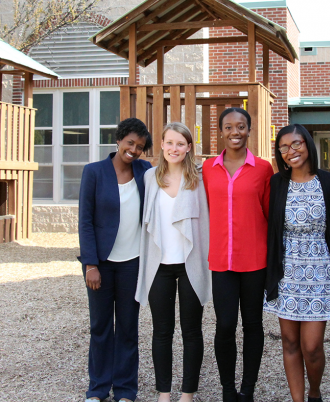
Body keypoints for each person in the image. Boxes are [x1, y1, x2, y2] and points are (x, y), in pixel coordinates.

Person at [264, 124, 330, 402]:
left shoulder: (329, 182)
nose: (290, 152)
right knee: (289, 341)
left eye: (296, 144)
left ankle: (315, 392)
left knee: (312, 346)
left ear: (308, 144)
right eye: (283, 147)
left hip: (319, 269)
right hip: (287, 271)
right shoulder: (277, 183)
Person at [135, 122, 212, 402]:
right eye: (169, 143)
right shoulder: (150, 177)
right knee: (162, 331)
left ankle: (188, 393)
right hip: (159, 267)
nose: (174, 148)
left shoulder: (200, 178)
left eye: (181, 144)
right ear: (162, 145)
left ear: (189, 147)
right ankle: (164, 393)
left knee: (192, 331)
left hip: (191, 265)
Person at [202, 107, 274, 402]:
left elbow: (270, 214)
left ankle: (247, 389)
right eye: (229, 127)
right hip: (222, 261)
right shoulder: (208, 168)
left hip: (255, 259)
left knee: (253, 325)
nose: (235, 132)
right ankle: (228, 389)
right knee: (225, 324)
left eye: (241, 126)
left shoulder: (263, 168)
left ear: (249, 130)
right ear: (220, 132)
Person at [78, 117, 153, 402]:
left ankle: (125, 390)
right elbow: (85, 221)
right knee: (99, 327)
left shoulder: (145, 171)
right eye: (130, 143)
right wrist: (91, 264)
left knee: (127, 328)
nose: (133, 150)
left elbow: (171, 175)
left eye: (140, 146)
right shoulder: (94, 172)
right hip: (102, 264)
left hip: (133, 263)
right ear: (119, 140)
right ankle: (97, 389)